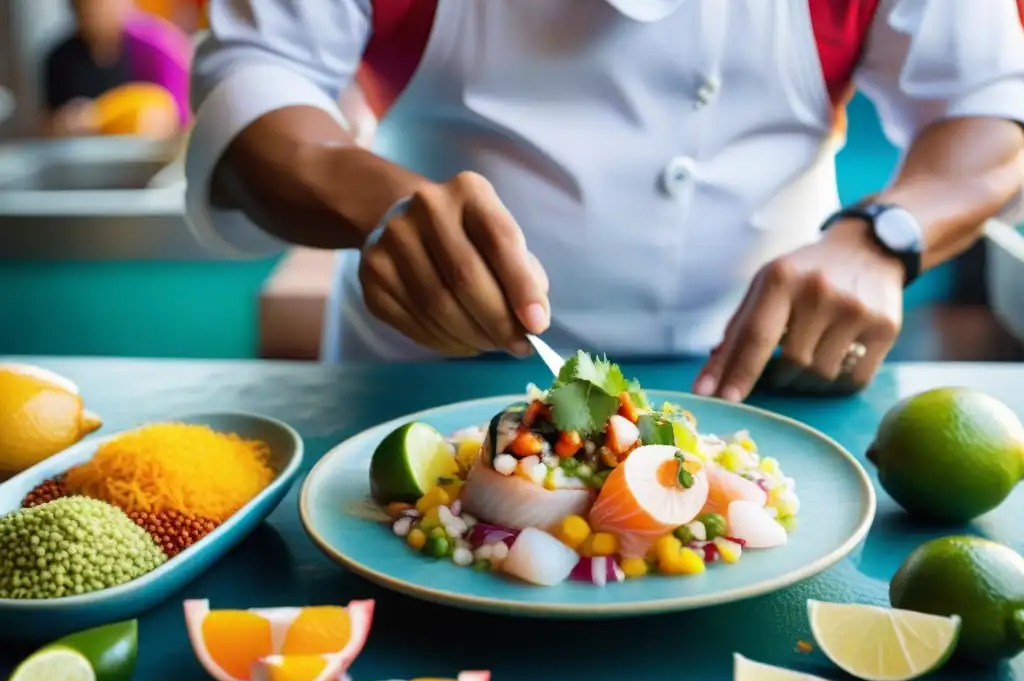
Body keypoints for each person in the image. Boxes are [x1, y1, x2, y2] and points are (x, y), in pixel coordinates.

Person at [184, 1, 1024, 401]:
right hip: (423, 383)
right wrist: (379, 203)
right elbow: (256, 82)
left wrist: (883, 237)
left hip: (771, 387)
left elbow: (990, 106)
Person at [42, 0, 191, 138]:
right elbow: (48, 124)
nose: (94, 12)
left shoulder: (154, 48)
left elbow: (182, 116)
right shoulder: (61, 59)